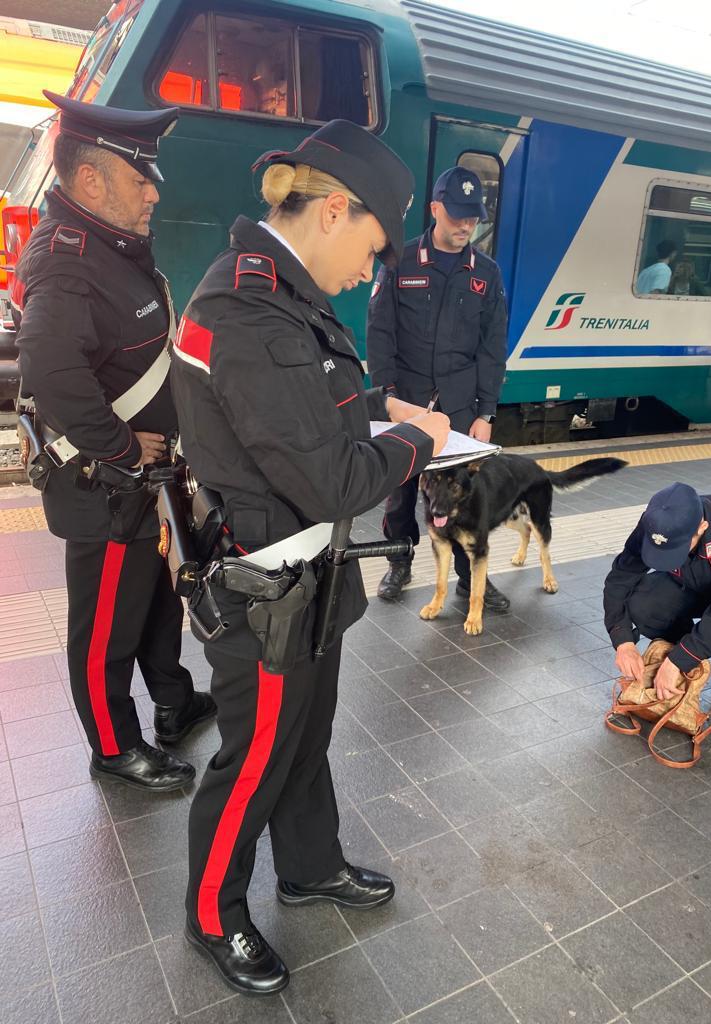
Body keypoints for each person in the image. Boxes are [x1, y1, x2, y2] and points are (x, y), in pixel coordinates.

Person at [171, 119, 450, 995]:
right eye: (371, 248)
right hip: (267, 584)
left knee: (306, 737)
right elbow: (332, 479)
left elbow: (303, 415)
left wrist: (374, 406)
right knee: (255, 754)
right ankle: (213, 911)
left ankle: (308, 864)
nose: (370, 272)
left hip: (307, 578)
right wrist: (415, 442)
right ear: (335, 210)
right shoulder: (250, 308)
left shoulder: (283, 297)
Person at [12, 93, 215, 791]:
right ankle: (112, 746)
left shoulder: (108, 242)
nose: (155, 192)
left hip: (144, 485)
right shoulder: (70, 262)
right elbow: (48, 369)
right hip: (107, 486)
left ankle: (173, 701)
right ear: (92, 179)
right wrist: (125, 450)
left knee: (156, 596)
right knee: (104, 626)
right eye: (142, 178)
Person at [367, 165, 510, 607]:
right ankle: (399, 561)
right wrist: (386, 395)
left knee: (464, 496)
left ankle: (470, 579)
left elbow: (492, 347)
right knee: (400, 491)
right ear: (435, 210)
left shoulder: (486, 273)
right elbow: (380, 331)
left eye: (473, 217)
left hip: (460, 407)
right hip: (407, 400)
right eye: (457, 216)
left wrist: (486, 413)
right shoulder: (401, 262)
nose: (466, 225)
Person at [604, 482, 711, 712]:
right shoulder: (655, 523)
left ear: (702, 527)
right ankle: (679, 652)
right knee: (643, 603)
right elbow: (621, 577)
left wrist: (679, 661)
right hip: (694, 583)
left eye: (676, 550)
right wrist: (622, 640)